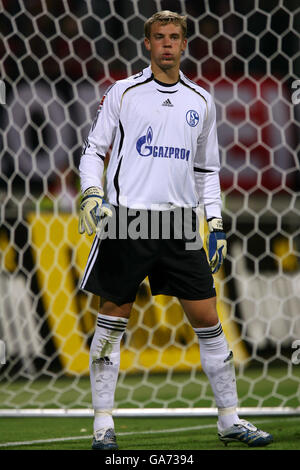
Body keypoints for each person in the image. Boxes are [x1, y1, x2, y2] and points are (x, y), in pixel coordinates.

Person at [78, 10, 273, 450]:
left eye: (175, 37)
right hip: (127, 219)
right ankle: (103, 427)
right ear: (147, 43)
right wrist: (92, 193)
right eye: (159, 37)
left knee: (209, 322)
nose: (167, 44)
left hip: (181, 223)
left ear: (185, 45)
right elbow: (93, 150)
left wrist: (216, 224)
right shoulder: (123, 93)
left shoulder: (201, 101)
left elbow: (207, 170)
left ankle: (230, 421)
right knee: (111, 323)